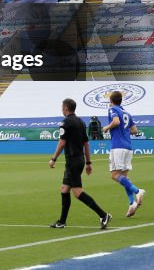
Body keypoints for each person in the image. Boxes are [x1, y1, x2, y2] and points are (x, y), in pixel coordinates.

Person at [48, 98, 112, 229]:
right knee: (64, 189)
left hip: (72, 160)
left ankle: (103, 215)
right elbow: (86, 144)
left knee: (77, 192)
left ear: (65, 108)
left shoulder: (65, 123)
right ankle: (62, 221)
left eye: (62, 106)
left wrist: (53, 158)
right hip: (79, 160)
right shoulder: (81, 122)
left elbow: (62, 142)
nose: (62, 109)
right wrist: (88, 162)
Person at [103, 90, 145, 217]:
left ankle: (138, 191)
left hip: (118, 147)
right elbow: (135, 130)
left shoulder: (112, 110)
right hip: (128, 147)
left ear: (111, 100)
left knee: (114, 175)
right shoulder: (127, 112)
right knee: (124, 177)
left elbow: (116, 122)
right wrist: (124, 132)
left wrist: (106, 128)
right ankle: (132, 203)